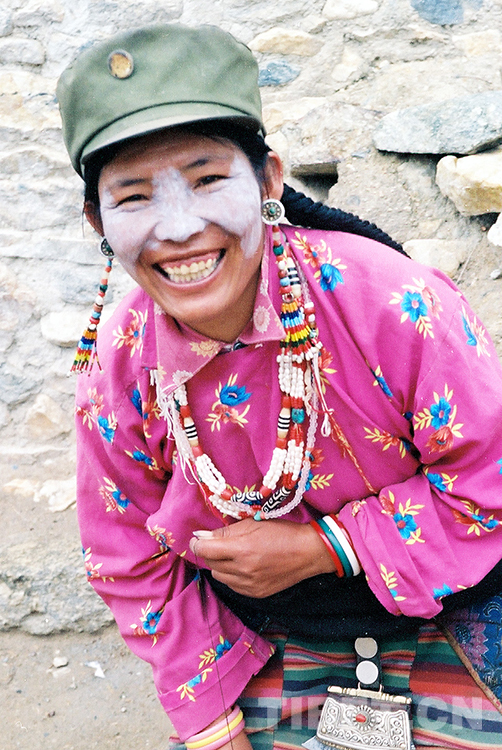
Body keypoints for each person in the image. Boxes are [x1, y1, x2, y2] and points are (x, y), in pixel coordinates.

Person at [57, 23, 502, 750]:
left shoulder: (391, 302)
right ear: (96, 220)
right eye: (133, 197)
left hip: (455, 605)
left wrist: (327, 546)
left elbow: (491, 476)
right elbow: (127, 555)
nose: (180, 228)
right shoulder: (120, 366)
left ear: (267, 180)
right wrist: (212, 725)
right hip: (259, 637)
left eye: (208, 180)